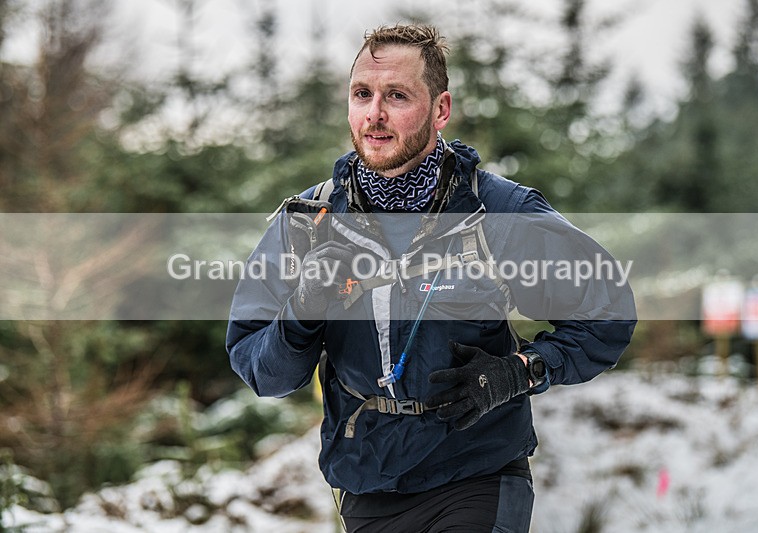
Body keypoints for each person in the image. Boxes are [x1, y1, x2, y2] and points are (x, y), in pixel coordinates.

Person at [227, 23, 636, 532]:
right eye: (362, 94)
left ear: (440, 109)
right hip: (367, 480)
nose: (374, 114)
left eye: (396, 96)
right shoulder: (309, 225)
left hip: (478, 471)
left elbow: (607, 314)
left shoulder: (498, 214)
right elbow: (263, 371)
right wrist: (304, 308)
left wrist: (523, 369)